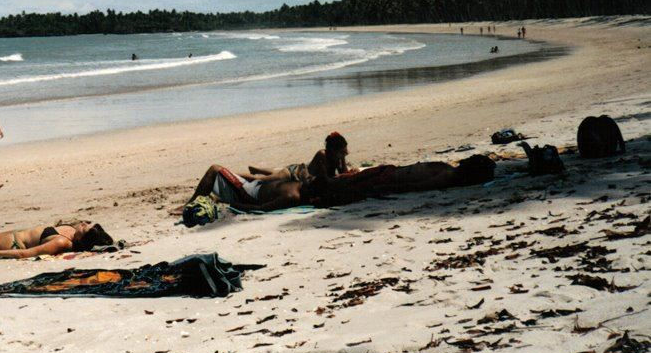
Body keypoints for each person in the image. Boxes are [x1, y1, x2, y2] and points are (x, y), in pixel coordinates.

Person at [306, 155, 495, 207]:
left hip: (389, 177)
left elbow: (415, 186)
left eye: (472, 159)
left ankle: (313, 192)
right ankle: (316, 188)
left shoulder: (447, 176)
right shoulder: (449, 172)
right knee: (348, 181)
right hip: (390, 173)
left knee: (348, 183)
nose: (468, 158)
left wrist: (387, 187)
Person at [173, 164, 314, 213]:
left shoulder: (292, 196)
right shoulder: (300, 185)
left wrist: (229, 204)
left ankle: (189, 205)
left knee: (215, 169)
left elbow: (261, 208)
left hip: (247, 192)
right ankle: (207, 197)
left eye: (311, 180)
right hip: (255, 186)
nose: (310, 179)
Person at [245, 131, 353, 183]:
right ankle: (236, 175)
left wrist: (343, 159)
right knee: (259, 180)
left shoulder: (337, 157)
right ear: (333, 150)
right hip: (294, 174)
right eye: (343, 151)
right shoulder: (322, 155)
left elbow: (343, 172)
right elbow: (325, 179)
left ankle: (257, 169)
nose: (346, 152)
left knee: (276, 172)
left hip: (299, 170)